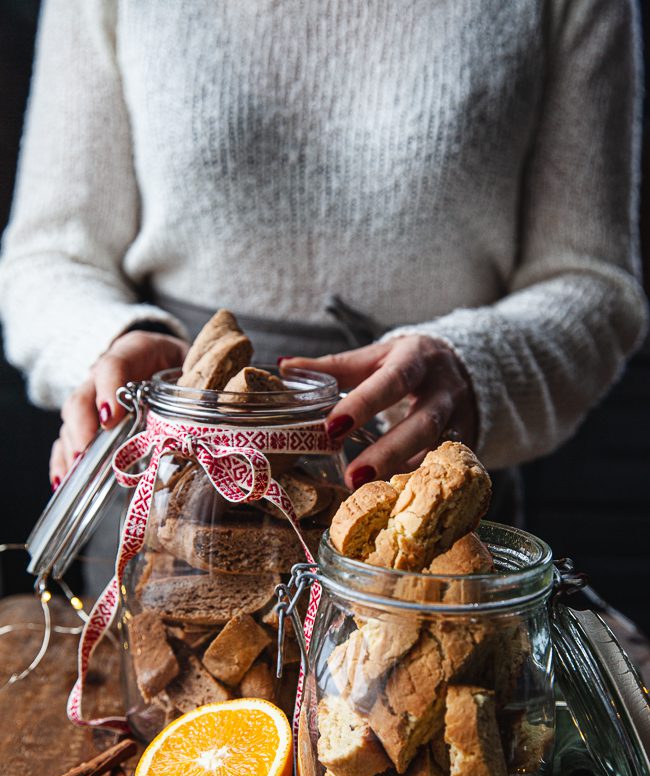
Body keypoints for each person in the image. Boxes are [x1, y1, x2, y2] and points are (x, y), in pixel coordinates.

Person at [0, 0, 646, 506]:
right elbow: (48, 256)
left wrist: (473, 367)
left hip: (425, 491)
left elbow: (591, 282)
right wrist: (116, 347)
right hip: (180, 500)